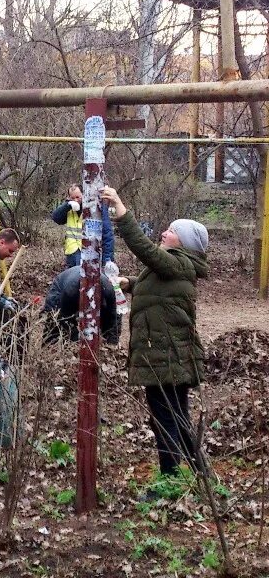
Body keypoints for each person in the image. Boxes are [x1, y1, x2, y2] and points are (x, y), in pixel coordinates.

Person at [100, 185, 208, 477]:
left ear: (183, 242)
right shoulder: (176, 267)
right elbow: (163, 290)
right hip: (167, 354)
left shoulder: (179, 263)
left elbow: (146, 251)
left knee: (165, 420)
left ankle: (170, 480)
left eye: (171, 231)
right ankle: (202, 475)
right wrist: (132, 284)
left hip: (168, 355)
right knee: (177, 417)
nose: (164, 233)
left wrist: (121, 209)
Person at [41, 265, 120, 345]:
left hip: (88, 289)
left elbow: (113, 317)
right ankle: (48, 348)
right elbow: (66, 319)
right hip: (60, 289)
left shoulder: (109, 290)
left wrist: (112, 343)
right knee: (54, 323)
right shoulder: (70, 291)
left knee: (106, 321)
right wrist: (77, 341)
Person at [52, 184, 115, 268]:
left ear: (84, 195)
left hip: (87, 251)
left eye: (78, 197)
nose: (75, 200)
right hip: (71, 251)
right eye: (72, 198)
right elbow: (56, 218)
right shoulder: (69, 208)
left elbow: (107, 234)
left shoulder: (93, 210)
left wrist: (107, 260)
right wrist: (67, 205)